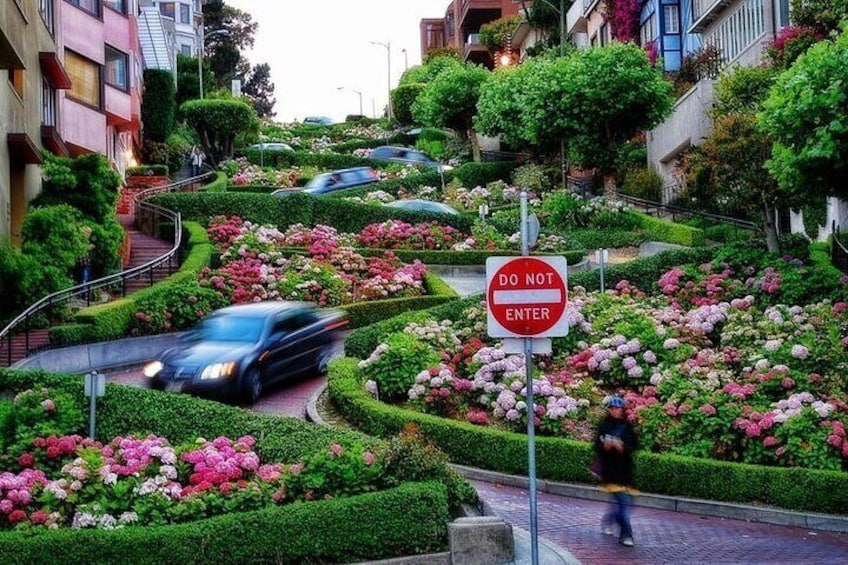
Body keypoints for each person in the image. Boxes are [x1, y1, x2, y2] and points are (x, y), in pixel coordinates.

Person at [594, 395, 638, 547]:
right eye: (612, 408)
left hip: (625, 471)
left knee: (624, 503)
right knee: (623, 504)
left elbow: (633, 446)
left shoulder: (627, 427)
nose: (615, 411)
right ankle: (626, 534)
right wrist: (605, 447)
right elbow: (596, 446)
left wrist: (622, 447)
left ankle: (608, 520)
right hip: (611, 472)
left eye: (617, 408)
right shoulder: (604, 426)